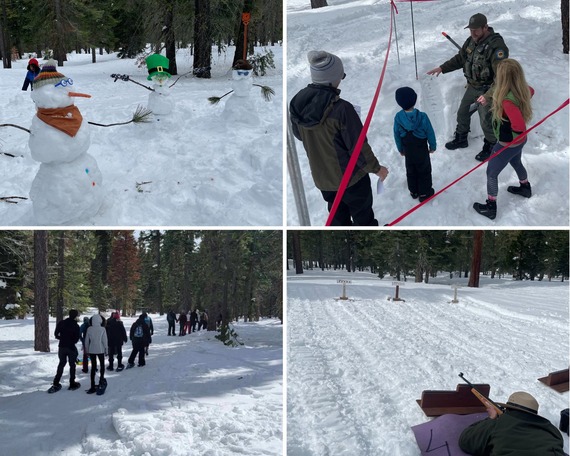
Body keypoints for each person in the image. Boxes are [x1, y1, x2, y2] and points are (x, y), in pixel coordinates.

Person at [290, 50, 389, 225]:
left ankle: (345, 241)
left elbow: (299, 134)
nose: (341, 79)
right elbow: (358, 147)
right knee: (362, 215)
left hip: (323, 180)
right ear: (332, 78)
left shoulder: (299, 103)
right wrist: (376, 168)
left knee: (337, 215)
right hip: (351, 180)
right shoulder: (342, 109)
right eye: (340, 76)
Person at [427, 13, 509, 161]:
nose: (473, 33)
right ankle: (461, 139)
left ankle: (491, 147)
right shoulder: (471, 41)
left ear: (485, 27)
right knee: (462, 113)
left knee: (486, 120)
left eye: (476, 30)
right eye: (471, 30)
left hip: (488, 89)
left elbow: (501, 77)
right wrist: (442, 68)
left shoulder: (497, 46)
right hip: (473, 86)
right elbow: (461, 58)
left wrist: (489, 95)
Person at [472, 58, 534, 220]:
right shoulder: (522, 90)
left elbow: (519, 125)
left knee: (491, 172)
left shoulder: (507, 101)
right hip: (520, 141)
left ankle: (491, 206)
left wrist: (513, 130)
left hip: (507, 143)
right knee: (516, 162)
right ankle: (525, 187)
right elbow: (531, 91)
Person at [459, 391, 565, 455]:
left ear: (509, 409)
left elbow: (465, 441)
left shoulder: (499, 424)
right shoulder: (552, 430)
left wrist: (492, 419)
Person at [393, 87, 437, 202]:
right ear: (414, 100)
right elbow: (430, 132)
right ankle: (425, 193)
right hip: (421, 148)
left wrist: (400, 149)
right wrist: (432, 146)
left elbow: (396, 135)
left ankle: (414, 191)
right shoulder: (422, 116)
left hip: (408, 149)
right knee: (424, 170)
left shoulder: (398, 117)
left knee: (411, 170)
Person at [50, 309, 81, 392]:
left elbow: (56, 334)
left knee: (61, 364)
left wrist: (62, 338)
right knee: (72, 365)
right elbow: (77, 338)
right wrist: (71, 341)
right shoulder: (76, 325)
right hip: (71, 347)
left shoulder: (61, 323)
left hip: (62, 346)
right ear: (75, 316)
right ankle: (72, 382)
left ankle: (56, 382)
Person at [84, 313, 108, 394]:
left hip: (92, 350)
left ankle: (92, 385)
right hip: (100, 349)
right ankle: (101, 381)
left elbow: (86, 341)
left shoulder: (89, 329)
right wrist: (106, 349)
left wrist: (86, 350)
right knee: (102, 366)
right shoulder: (102, 329)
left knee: (93, 367)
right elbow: (105, 341)